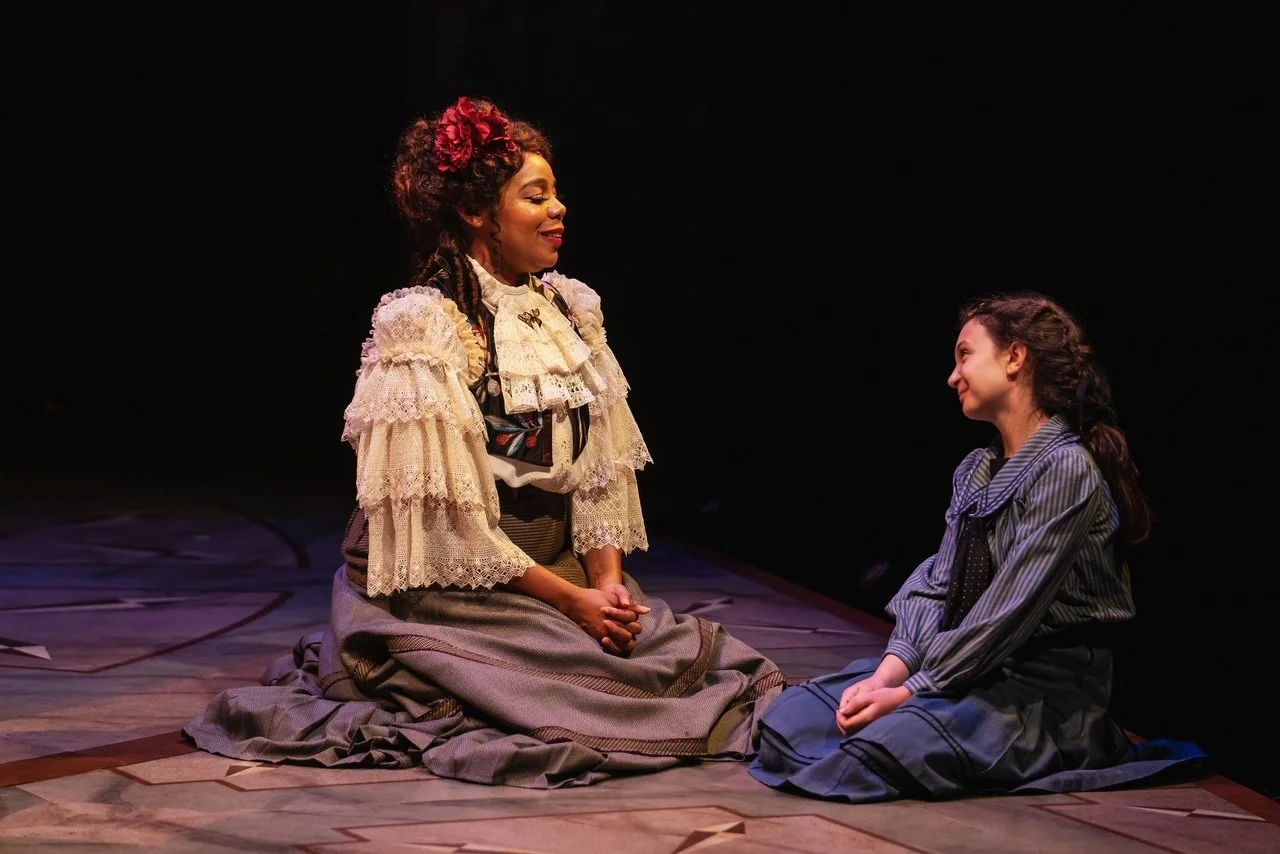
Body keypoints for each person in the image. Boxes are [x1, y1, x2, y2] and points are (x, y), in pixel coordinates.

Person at [184, 95, 785, 788]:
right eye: (536, 195)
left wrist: (607, 584)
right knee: (572, 683)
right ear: (476, 212)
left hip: (554, 564)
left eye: (556, 193)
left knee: (658, 656)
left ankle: (574, 621)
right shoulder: (425, 327)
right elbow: (446, 527)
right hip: (448, 582)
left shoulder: (572, 311)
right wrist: (571, 603)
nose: (559, 209)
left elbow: (599, 472)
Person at [747, 292, 1205, 802]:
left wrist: (914, 692)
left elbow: (1008, 611)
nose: (953, 376)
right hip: (966, 671)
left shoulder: (1066, 468)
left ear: (1015, 357)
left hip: (1043, 694)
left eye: (965, 355)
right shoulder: (976, 470)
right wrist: (887, 676)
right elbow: (937, 586)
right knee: (790, 720)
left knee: (881, 747)